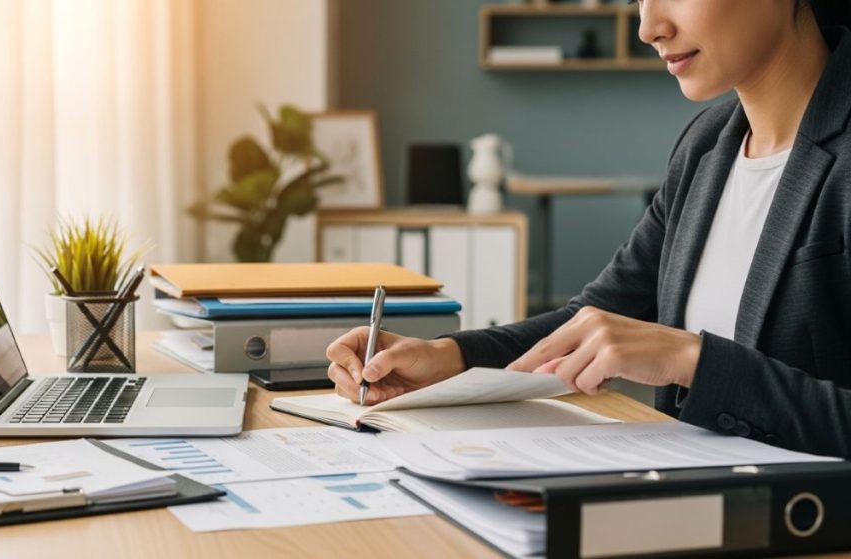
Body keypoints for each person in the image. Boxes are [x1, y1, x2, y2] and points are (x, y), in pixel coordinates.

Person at [326, 0, 851, 458]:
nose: (649, 27)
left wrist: (689, 358)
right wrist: (447, 357)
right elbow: (593, 318)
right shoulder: (706, 146)